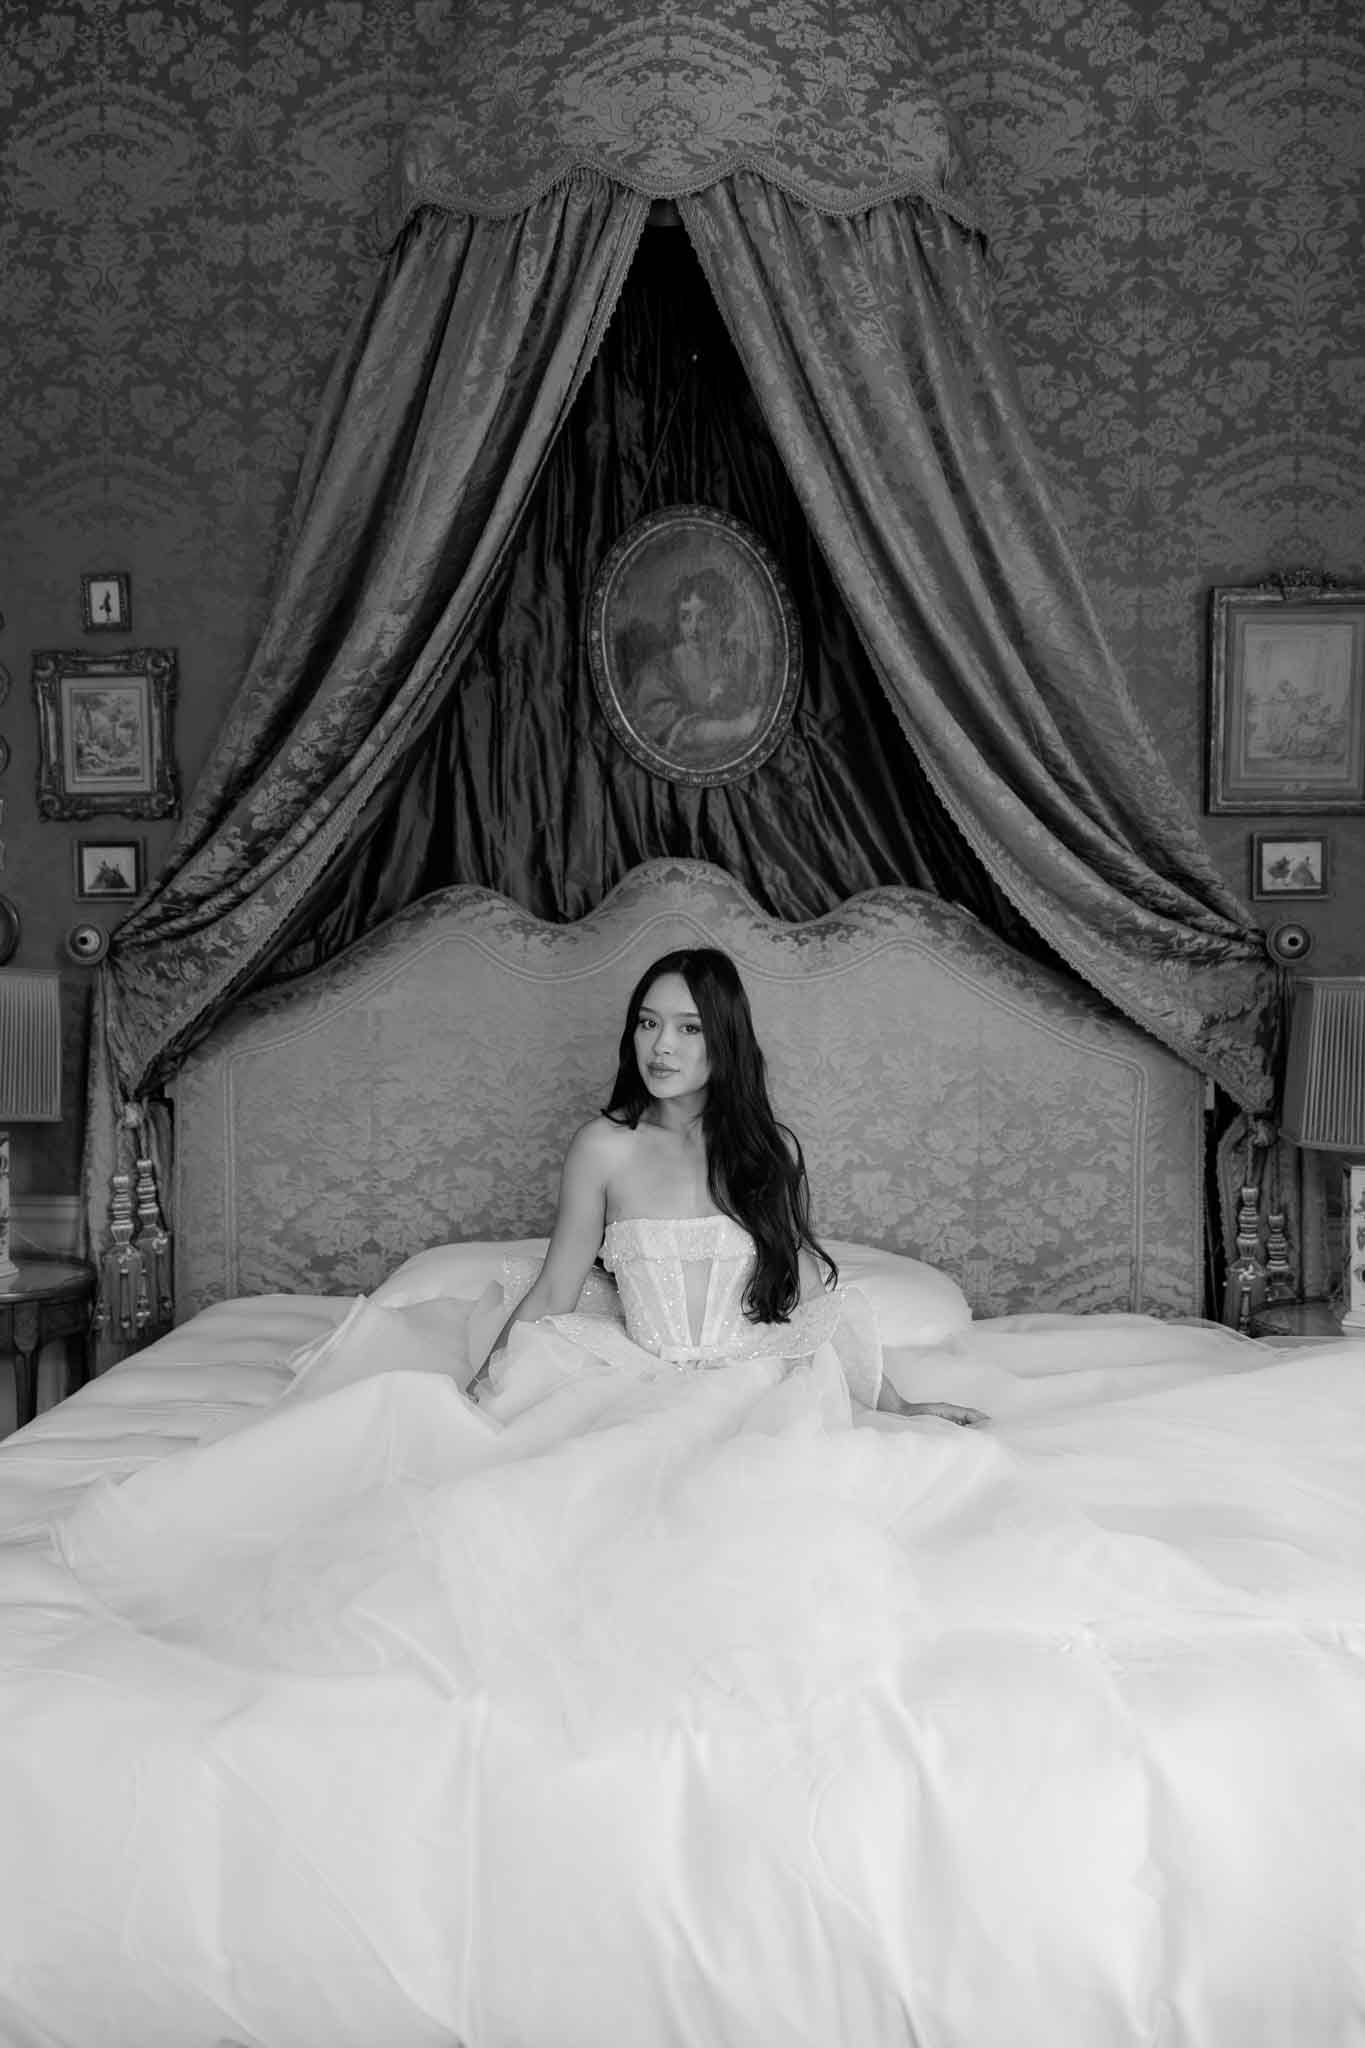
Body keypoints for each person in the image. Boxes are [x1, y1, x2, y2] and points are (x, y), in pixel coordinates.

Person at [468, 947, 985, 1424]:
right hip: (634, 1388)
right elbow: (555, 1289)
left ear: (725, 1039)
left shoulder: (767, 1151)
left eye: (689, 1028)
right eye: (648, 1022)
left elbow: (809, 1300)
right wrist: (473, 1394)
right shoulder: (603, 1147)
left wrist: (898, 1406)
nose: (661, 1045)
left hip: (755, 1388)